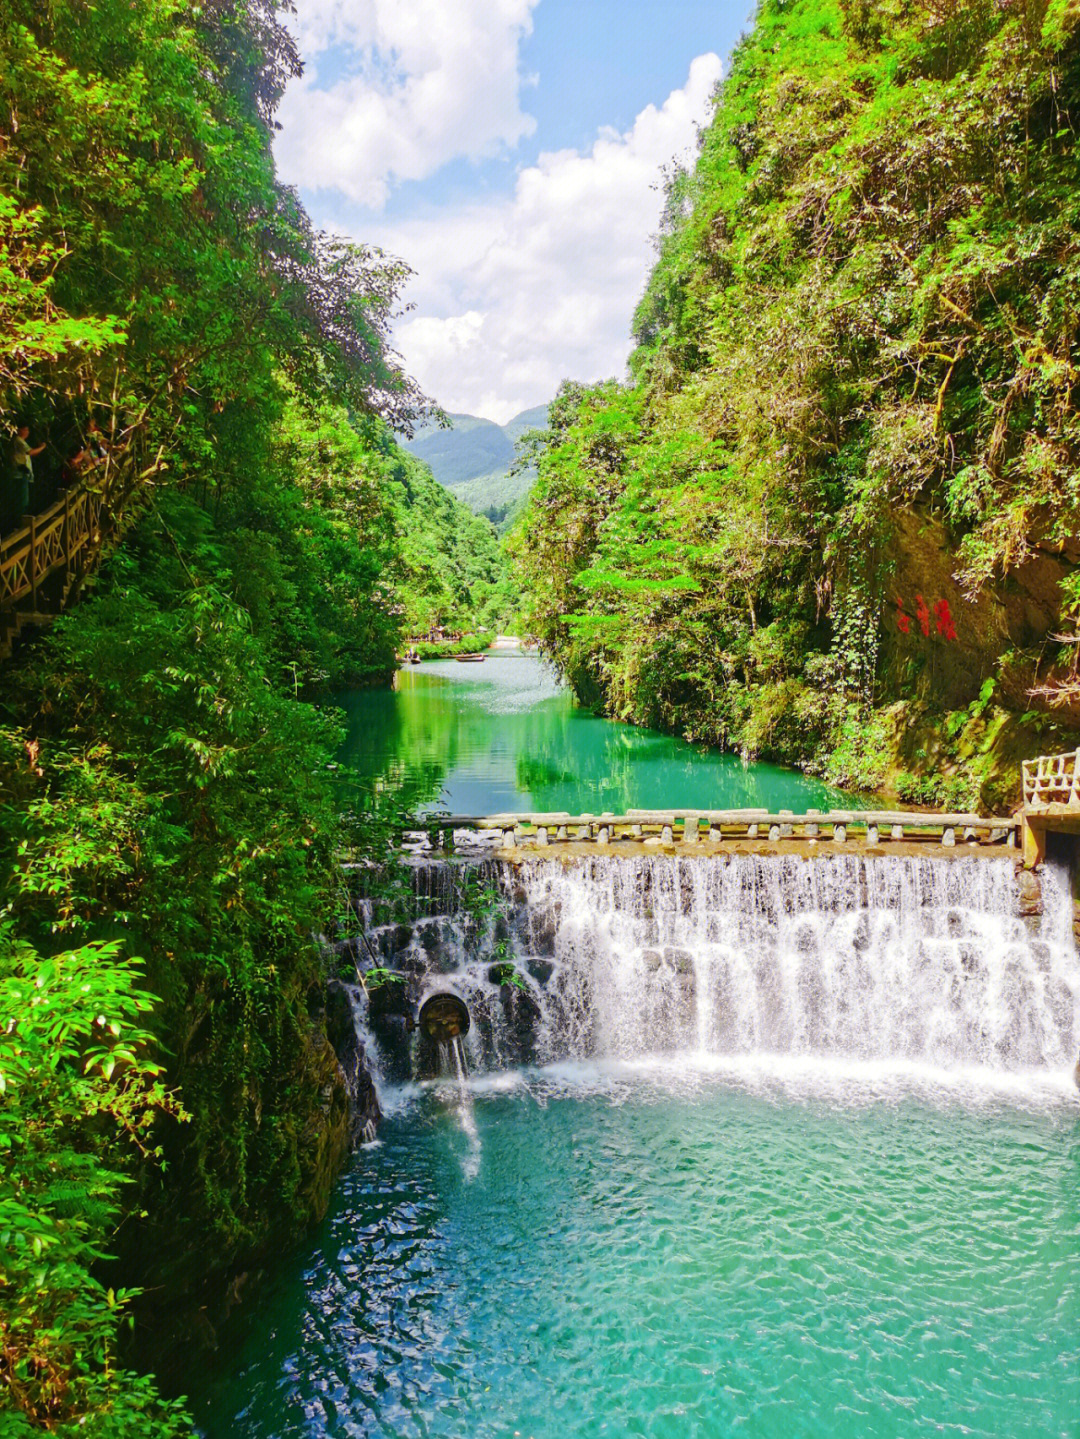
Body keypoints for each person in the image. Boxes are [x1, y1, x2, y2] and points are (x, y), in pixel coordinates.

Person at [12, 424, 45, 517]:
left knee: (27, 499)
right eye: (25, 430)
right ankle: (21, 523)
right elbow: (31, 452)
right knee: (23, 501)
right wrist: (43, 447)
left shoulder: (22, 442)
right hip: (20, 474)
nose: (27, 432)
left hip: (25, 474)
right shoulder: (18, 440)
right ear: (19, 430)